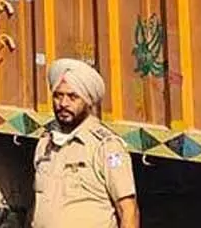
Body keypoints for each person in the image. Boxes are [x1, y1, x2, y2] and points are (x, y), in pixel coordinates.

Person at [31, 58, 139, 228]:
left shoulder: (107, 147)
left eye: (73, 97)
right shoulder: (46, 143)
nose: (63, 104)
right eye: (58, 96)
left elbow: (128, 211)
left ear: (88, 101)